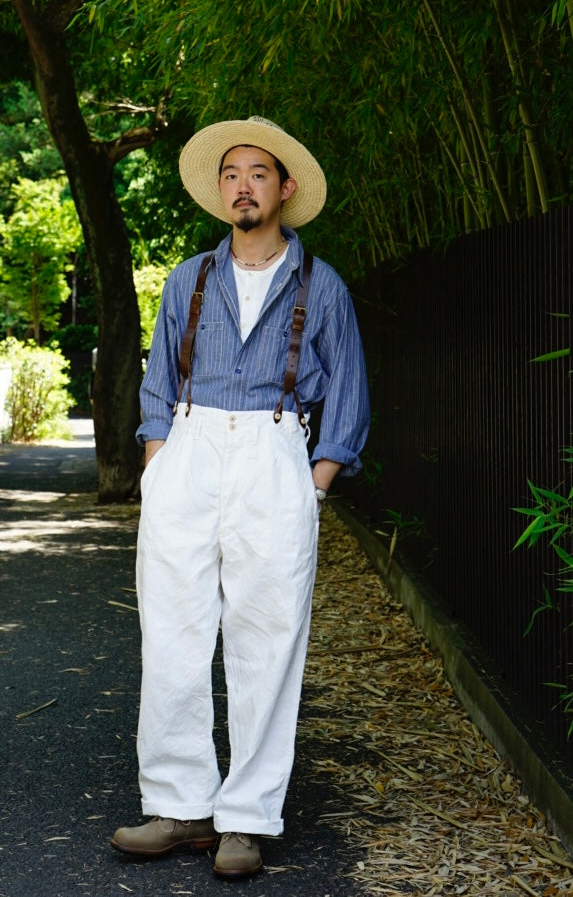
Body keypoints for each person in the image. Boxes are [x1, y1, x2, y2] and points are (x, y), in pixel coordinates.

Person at [111, 116, 370, 879]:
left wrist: (311, 484)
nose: (242, 186)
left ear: (284, 189)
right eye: (230, 175)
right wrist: (160, 462)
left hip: (272, 451)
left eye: (257, 173)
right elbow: (158, 385)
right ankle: (179, 805)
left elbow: (347, 399)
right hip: (189, 451)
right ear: (218, 191)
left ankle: (247, 818)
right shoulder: (188, 278)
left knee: (267, 640)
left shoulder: (320, 284)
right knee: (172, 634)